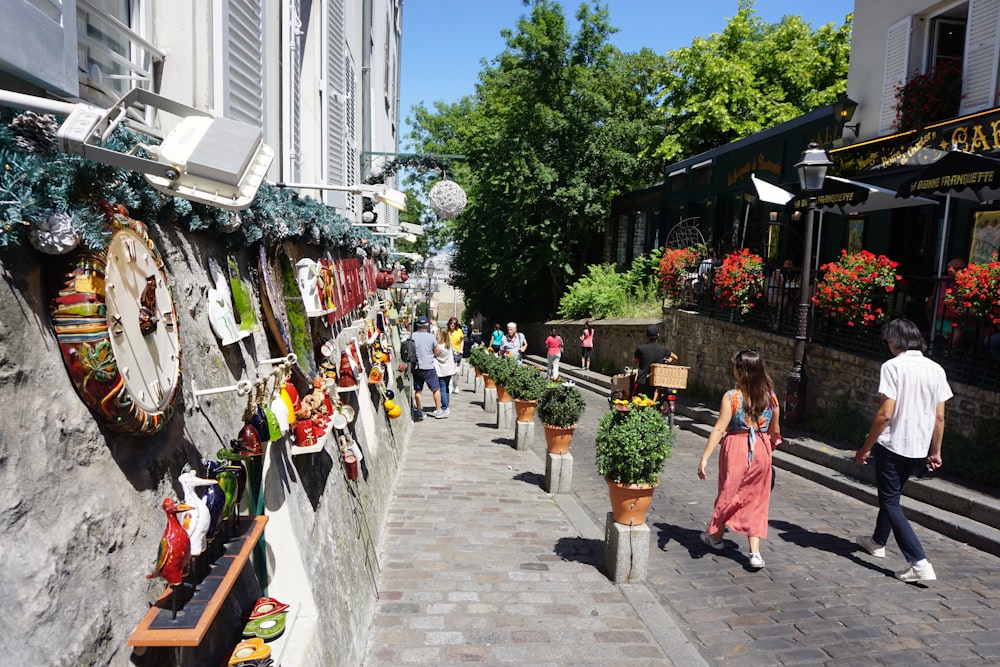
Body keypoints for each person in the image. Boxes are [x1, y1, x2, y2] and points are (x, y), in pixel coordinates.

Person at [854, 318, 952, 583]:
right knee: (893, 496)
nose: (887, 346)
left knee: (890, 501)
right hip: (918, 446)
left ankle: (918, 561)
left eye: (888, 341)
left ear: (895, 340)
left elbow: (885, 414)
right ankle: (877, 541)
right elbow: (939, 417)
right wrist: (936, 450)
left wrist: (866, 447)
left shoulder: (893, 366)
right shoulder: (936, 369)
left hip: (893, 443)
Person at [697, 349, 781, 570]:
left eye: (735, 366)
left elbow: (719, 429)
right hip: (762, 448)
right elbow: (776, 429)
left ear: (741, 371)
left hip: (736, 447)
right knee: (757, 500)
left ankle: (715, 537)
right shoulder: (770, 396)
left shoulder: (731, 397)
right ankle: (754, 553)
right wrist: (770, 444)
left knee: (729, 493)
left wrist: (705, 457)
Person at [410, 316, 446, 420]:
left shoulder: (413, 336)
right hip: (428, 366)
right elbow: (437, 351)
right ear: (426, 325)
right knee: (435, 389)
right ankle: (438, 410)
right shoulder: (431, 337)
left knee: (418, 390)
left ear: (417, 325)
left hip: (416, 367)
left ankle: (419, 411)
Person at [925, 258, 967, 348]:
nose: (963, 271)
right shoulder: (944, 282)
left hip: (964, 320)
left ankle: (970, 357)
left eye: (964, 268)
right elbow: (945, 300)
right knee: (957, 331)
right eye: (958, 269)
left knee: (984, 331)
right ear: (950, 270)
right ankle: (948, 354)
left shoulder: (967, 282)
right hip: (944, 319)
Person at [631, 324, 678, 399]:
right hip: (657, 382)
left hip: (643, 381)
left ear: (647, 336)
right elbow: (675, 357)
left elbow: (634, 362)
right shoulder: (663, 349)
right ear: (658, 335)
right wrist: (668, 361)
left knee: (637, 401)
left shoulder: (640, 349)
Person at [433, 327, 458, 417]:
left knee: (442, 389)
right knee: (446, 388)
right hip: (449, 369)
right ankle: (446, 405)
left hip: (441, 370)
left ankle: (444, 407)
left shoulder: (439, 347)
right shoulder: (449, 345)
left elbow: (434, 354)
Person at [446, 317, 464, 392]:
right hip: (448, 353)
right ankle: (449, 386)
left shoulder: (459, 331)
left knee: (457, 371)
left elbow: (462, 340)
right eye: (451, 323)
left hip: (457, 352)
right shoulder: (446, 332)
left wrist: (461, 349)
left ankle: (455, 385)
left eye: (454, 323)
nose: (452, 325)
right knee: (449, 370)